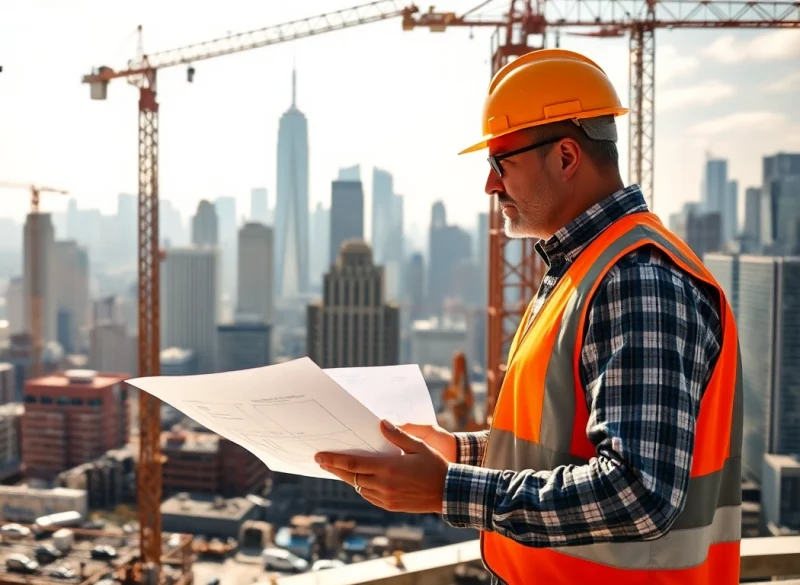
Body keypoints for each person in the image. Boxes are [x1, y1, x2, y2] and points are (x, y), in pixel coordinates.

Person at [314, 48, 742, 585]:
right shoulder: (584, 269)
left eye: (501, 164)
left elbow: (638, 493)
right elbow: (560, 446)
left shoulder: (636, 279)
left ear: (565, 157)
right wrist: (459, 452)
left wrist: (448, 488)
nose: (490, 186)